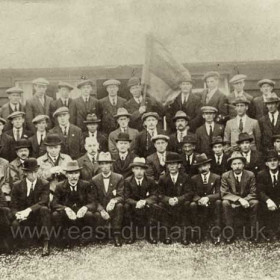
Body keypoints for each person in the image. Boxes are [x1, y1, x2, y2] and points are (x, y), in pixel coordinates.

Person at [10, 158, 51, 256]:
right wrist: (18, 214)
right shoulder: (17, 186)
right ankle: (21, 243)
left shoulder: (44, 183)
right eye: (30, 172)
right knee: (15, 224)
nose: (33, 175)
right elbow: (13, 206)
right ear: (25, 173)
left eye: (35, 172)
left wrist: (28, 210)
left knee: (44, 209)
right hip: (23, 217)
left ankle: (46, 243)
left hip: (38, 215)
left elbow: (44, 201)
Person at [52, 160, 99, 244]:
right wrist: (66, 209)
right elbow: (54, 203)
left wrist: (85, 208)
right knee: (56, 215)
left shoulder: (86, 185)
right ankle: (63, 237)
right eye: (70, 173)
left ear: (79, 174)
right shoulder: (60, 186)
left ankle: (86, 236)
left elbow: (93, 202)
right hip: (67, 214)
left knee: (89, 214)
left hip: (80, 213)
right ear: (66, 175)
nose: (73, 177)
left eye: (76, 173)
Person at [221, 152, 259, 243]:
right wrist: (239, 200)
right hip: (233, 200)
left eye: (239, 163)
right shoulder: (225, 176)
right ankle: (229, 233)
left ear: (243, 165)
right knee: (225, 202)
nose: (237, 166)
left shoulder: (250, 175)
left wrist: (244, 200)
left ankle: (253, 233)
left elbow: (253, 192)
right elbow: (224, 193)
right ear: (231, 166)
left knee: (255, 202)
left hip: (247, 200)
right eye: (234, 164)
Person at [157, 152, 193, 245]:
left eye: (174, 164)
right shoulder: (163, 178)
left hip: (181, 203)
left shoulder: (185, 177)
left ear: (179, 165)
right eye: (169, 164)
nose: (172, 166)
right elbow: (159, 194)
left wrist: (178, 199)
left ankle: (184, 235)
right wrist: (168, 200)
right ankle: (166, 234)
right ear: (167, 166)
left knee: (187, 204)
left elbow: (189, 193)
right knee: (161, 205)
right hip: (168, 204)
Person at [91, 152, 124, 247]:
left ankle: (116, 235)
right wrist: (101, 210)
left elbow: (121, 195)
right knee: (96, 214)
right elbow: (94, 199)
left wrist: (114, 201)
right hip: (101, 207)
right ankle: (101, 234)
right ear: (99, 165)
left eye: (107, 163)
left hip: (113, 206)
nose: (105, 166)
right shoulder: (94, 179)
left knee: (120, 206)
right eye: (102, 164)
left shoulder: (118, 177)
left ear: (111, 164)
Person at [124, 157, 158, 244]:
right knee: (126, 206)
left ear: (145, 170)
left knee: (154, 206)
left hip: (146, 204)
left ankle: (149, 234)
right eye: (136, 169)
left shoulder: (150, 180)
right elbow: (126, 197)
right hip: (133, 204)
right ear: (132, 170)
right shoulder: (127, 181)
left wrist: (145, 201)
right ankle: (132, 234)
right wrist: (136, 203)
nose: (139, 171)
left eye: (142, 169)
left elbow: (154, 195)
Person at [190, 153, 222, 244]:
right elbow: (193, 193)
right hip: (199, 203)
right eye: (200, 167)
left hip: (212, 203)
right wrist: (199, 200)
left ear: (209, 165)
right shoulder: (194, 179)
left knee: (218, 203)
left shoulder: (216, 177)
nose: (203, 169)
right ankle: (198, 234)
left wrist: (208, 198)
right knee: (192, 205)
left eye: (204, 165)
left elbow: (219, 193)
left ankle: (216, 234)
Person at [257, 150, 280, 242]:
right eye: (270, 161)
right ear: (266, 163)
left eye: (275, 160)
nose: (272, 163)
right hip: (268, 201)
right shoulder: (261, 174)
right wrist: (268, 201)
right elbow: (260, 191)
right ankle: (266, 232)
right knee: (260, 206)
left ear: (279, 162)